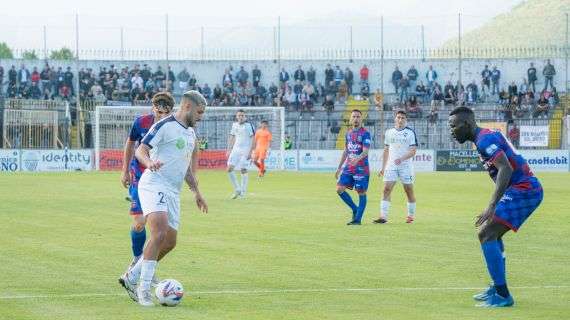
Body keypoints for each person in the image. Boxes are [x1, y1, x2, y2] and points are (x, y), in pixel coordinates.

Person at [120, 90, 208, 307]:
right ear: (187, 107)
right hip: (153, 183)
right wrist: (149, 163)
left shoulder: (190, 134)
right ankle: (143, 289)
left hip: (173, 190)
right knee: (158, 232)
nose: (201, 116)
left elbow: (186, 167)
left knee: (169, 242)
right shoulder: (164, 125)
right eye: (199, 112)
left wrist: (197, 192)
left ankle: (131, 276)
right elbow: (141, 150)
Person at [448, 106, 543, 307]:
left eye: (453, 126)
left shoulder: (484, 140)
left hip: (525, 188)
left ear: (466, 124)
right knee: (492, 234)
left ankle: (502, 295)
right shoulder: (484, 136)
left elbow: (505, 169)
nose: (451, 131)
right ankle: (497, 286)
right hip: (522, 188)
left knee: (486, 233)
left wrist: (491, 205)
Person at [118, 92, 175, 282]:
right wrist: (125, 170)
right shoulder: (141, 122)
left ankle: (145, 268)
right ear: (153, 108)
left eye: (164, 113)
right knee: (140, 222)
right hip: (140, 177)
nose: (160, 116)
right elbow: (130, 144)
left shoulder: (174, 127)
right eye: (158, 111)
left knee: (160, 231)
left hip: (162, 180)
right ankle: (136, 259)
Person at [374, 111, 417, 224]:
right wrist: (383, 167)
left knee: (408, 191)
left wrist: (402, 159)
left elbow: (413, 151)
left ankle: (410, 216)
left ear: (406, 120)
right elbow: (386, 150)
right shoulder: (389, 132)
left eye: (403, 118)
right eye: (398, 117)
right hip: (391, 166)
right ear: (395, 119)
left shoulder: (410, 133)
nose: (400, 120)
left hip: (406, 166)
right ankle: (383, 217)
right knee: (386, 189)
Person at [335, 109, 371, 225]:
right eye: (354, 116)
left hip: (361, 168)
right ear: (351, 119)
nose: (356, 118)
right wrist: (339, 167)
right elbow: (346, 151)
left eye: (358, 116)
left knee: (361, 192)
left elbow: (365, 151)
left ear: (361, 119)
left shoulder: (365, 133)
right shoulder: (348, 133)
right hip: (349, 167)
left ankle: (357, 219)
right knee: (339, 189)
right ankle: (355, 209)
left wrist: (357, 159)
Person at [227, 109, 256, 199]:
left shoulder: (249, 126)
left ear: (245, 117)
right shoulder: (234, 125)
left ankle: (243, 192)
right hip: (236, 150)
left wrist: (251, 152)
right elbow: (232, 136)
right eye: (239, 115)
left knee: (243, 169)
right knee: (229, 169)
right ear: (236, 116)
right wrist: (229, 149)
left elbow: (253, 139)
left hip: (246, 150)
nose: (240, 117)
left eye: (242, 115)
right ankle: (237, 189)